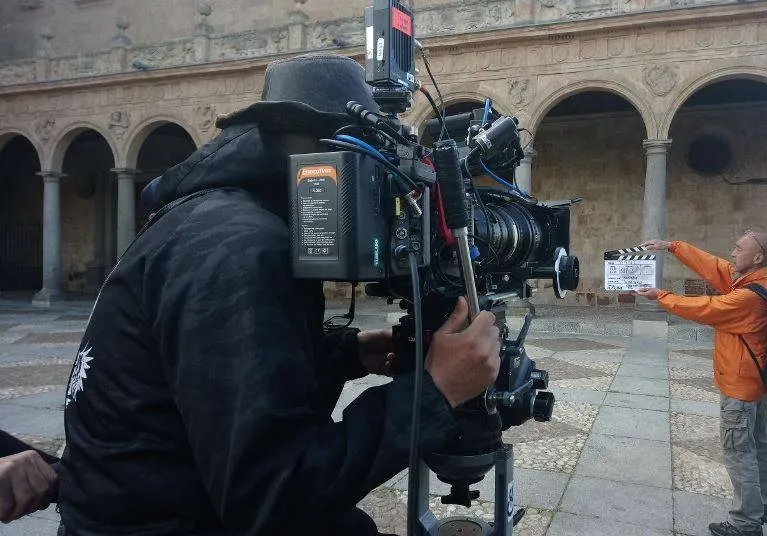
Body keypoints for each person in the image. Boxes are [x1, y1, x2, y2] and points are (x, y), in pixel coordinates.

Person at [57, 53, 501, 535]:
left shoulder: (220, 220)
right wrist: (432, 394)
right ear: (325, 155)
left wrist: (347, 354)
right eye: (371, 172)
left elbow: (225, 384)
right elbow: (273, 497)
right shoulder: (238, 249)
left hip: (169, 501)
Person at [636, 232, 767, 536]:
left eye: (739, 249)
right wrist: (673, 247)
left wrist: (661, 296)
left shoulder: (747, 297)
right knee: (760, 446)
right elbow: (712, 265)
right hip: (756, 385)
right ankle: (766, 504)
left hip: (739, 389)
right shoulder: (756, 283)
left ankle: (746, 523)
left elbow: (705, 309)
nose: (732, 252)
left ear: (757, 258)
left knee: (740, 453)